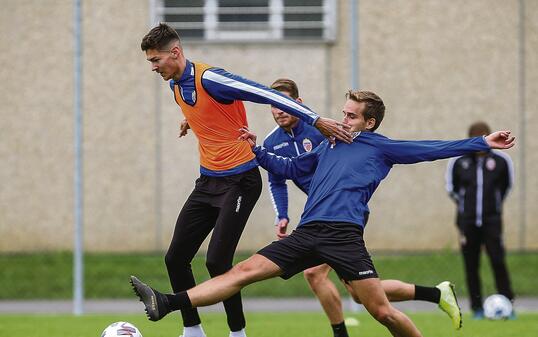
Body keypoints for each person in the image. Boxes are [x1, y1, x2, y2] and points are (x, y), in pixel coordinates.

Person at [131, 90, 515, 337]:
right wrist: (258, 151)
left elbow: (432, 148)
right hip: (308, 231)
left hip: (344, 235)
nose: (342, 119)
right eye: (343, 113)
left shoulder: (380, 148)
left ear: (369, 123)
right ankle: (169, 303)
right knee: (242, 272)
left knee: (379, 310)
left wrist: (482, 142)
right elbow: (292, 170)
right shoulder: (328, 144)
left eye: (351, 116)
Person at [140, 23, 352, 337]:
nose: (154, 67)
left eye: (156, 60)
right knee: (175, 258)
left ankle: (237, 333)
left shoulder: (210, 78)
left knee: (217, 262)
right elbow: (210, 114)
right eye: (150, 62)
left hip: (240, 181)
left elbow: (264, 93)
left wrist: (316, 119)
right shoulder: (174, 85)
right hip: (208, 182)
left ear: (175, 52)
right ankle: (193, 331)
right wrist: (191, 120)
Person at [264, 78, 463, 333]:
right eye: (273, 103)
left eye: (284, 103)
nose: (278, 109)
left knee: (314, 274)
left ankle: (341, 333)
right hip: (320, 216)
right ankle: (436, 294)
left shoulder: (321, 129)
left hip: (343, 216)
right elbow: (278, 179)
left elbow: (370, 149)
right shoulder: (271, 142)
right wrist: (282, 214)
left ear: (299, 104)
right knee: (358, 293)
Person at [445, 121, 515, 319]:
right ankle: (476, 307)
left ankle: (508, 304)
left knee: (497, 260)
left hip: (492, 221)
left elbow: (506, 187)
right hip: (467, 222)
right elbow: (452, 189)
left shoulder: (501, 161)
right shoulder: (459, 162)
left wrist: (493, 206)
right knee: (471, 264)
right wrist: (467, 207)